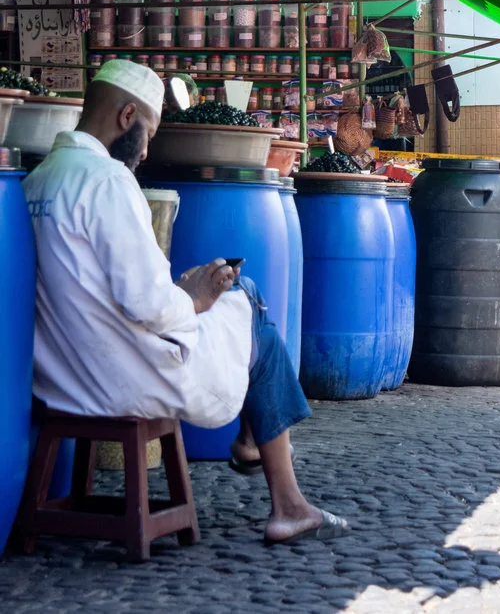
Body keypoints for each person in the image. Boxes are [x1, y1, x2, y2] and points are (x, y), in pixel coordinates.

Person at [22, 58, 347, 547]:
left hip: (61, 375)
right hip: (124, 375)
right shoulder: (107, 182)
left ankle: (255, 447)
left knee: (240, 301)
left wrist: (188, 293)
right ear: (127, 116)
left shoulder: (35, 181)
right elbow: (149, 303)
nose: (147, 148)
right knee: (247, 299)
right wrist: (195, 296)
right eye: (149, 132)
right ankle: (285, 497)